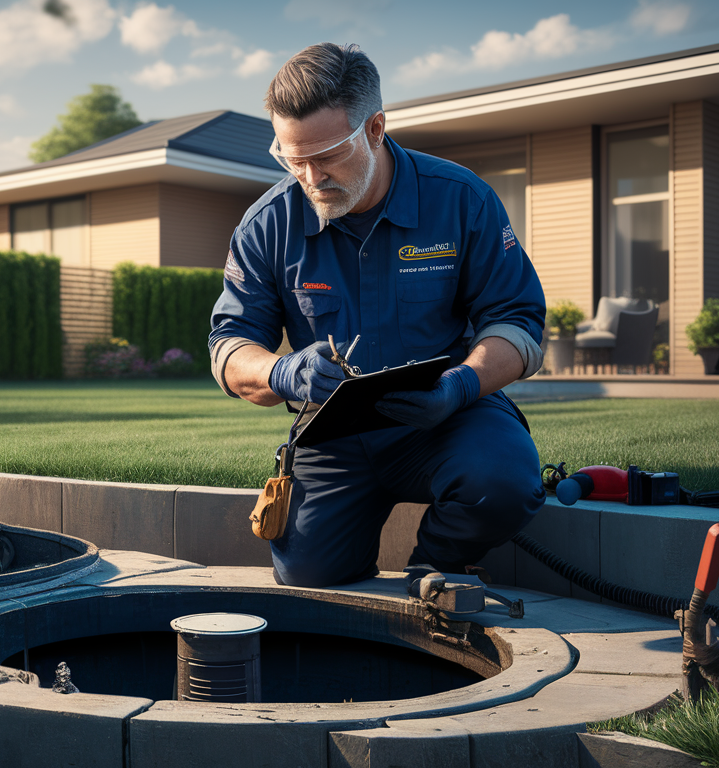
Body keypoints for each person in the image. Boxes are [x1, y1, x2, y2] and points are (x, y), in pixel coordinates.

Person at [208, 42, 547, 588]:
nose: (312, 177)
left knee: (502, 484)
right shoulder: (267, 224)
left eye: (327, 156)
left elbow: (518, 324)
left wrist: (460, 386)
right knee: (309, 577)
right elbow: (229, 346)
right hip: (333, 430)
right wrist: (281, 371)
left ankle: (435, 566)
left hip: (450, 416)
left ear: (375, 129)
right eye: (295, 160)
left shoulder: (461, 200)